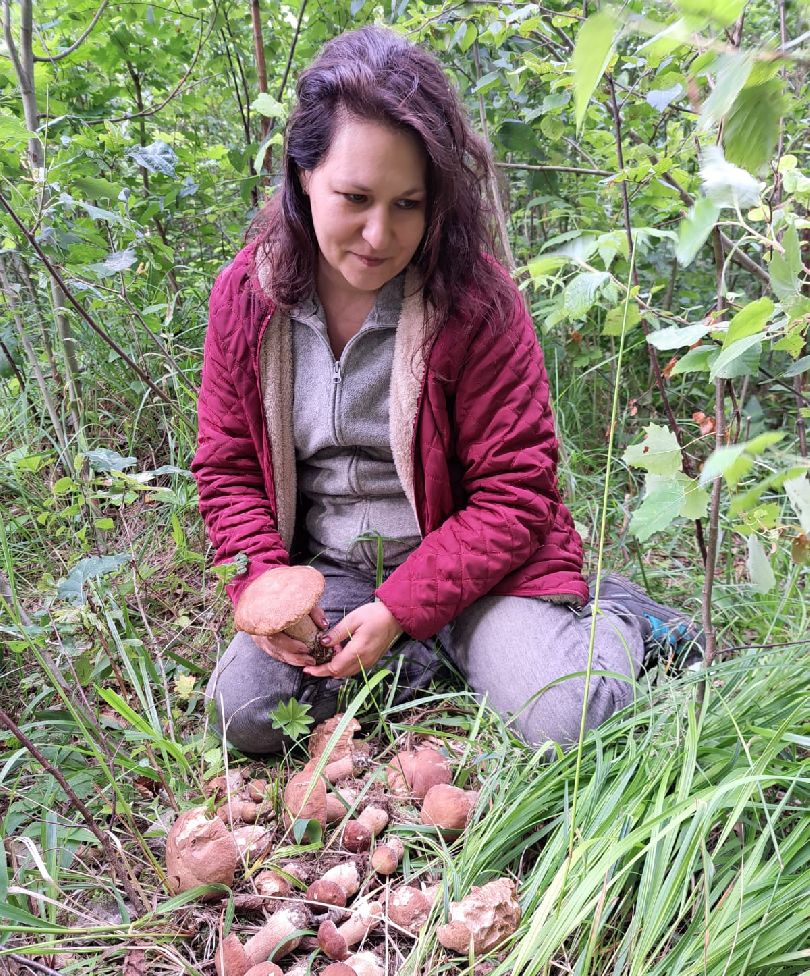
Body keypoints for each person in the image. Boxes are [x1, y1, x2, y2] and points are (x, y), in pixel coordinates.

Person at [192, 25, 702, 756]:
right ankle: (439, 658)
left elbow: (515, 493)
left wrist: (400, 608)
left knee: (572, 722)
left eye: (408, 203)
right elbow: (228, 466)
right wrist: (267, 588)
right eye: (355, 197)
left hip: (476, 564)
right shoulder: (248, 298)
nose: (378, 234)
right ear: (303, 174)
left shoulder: (473, 301)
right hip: (332, 569)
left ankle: (618, 618)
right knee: (243, 715)